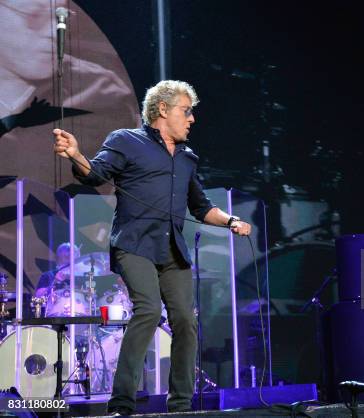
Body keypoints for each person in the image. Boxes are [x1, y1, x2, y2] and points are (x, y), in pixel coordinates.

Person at [53, 80, 252, 415]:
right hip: (134, 244)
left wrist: (231, 220)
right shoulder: (126, 141)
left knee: (186, 321)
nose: (192, 119)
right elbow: (95, 174)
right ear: (163, 109)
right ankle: (122, 404)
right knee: (147, 310)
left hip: (172, 251)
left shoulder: (188, 158)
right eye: (186, 111)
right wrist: (75, 154)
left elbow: (201, 207)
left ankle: (181, 406)